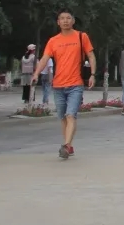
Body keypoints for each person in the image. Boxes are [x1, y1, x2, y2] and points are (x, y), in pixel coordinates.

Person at [31, 10, 97, 159]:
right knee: (62, 117)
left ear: (73, 21)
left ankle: (66, 146)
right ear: (58, 22)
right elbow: (44, 58)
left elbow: (91, 56)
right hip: (58, 85)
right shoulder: (53, 41)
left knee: (70, 115)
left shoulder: (81, 37)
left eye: (68, 18)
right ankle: (69, 145)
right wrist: (36, 74)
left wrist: (92, 74)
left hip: (75, 84)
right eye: (62, 18)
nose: (65, 21)